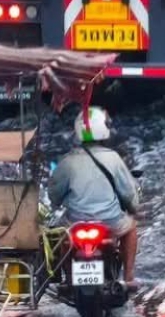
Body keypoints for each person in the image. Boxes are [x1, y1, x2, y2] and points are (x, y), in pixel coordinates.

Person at [49, 106, 141, 289]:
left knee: (62, 238)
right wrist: (133, 208)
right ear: (104, 130)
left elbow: (54, 195)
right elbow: (128, 193)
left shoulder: (68, 161)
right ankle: (129, 278)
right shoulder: (114, 158)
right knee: (131, 229)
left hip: (76, 222)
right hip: (110, 221)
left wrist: (57, 202)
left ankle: (68, 280)